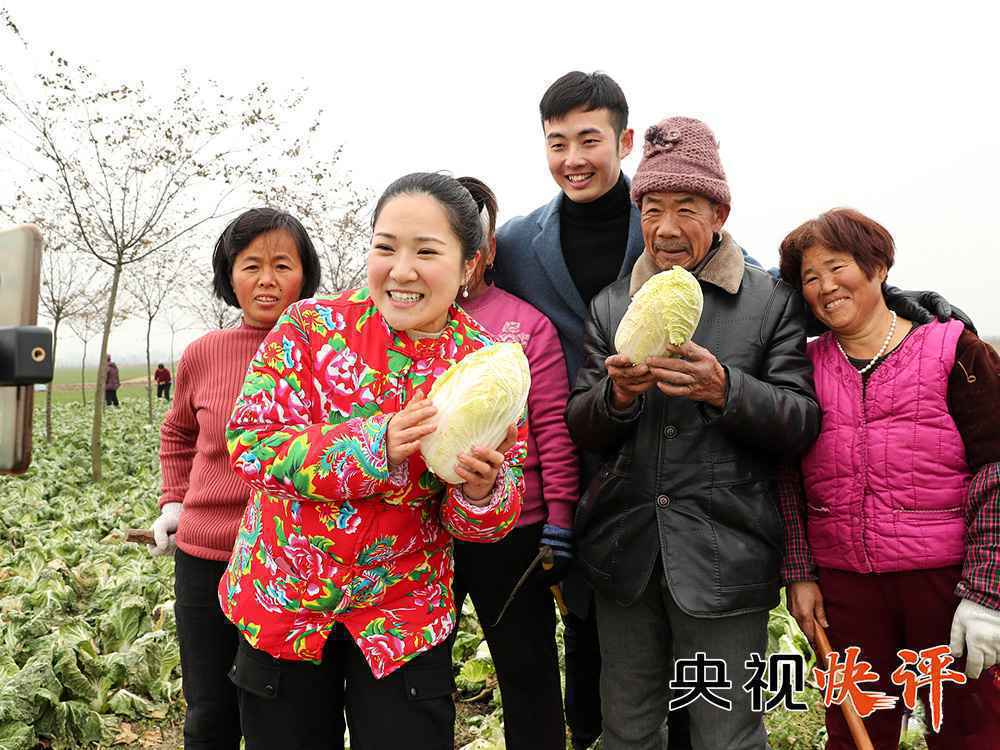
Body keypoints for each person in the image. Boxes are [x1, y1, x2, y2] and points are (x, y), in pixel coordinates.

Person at [219, 173, 527, 750]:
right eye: (385, 247)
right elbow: (252, 444)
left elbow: (487, 520)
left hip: (402, 620)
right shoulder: (310, 329)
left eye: (426, 251)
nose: (401, 270)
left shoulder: (488, 366)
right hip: (285, 604)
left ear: (470, 264)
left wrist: (481, 493)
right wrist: (373, 445)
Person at [565, 115, 822, 750]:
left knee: (728, 734)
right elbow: (583, 425)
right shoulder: (610, 306)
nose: (668, 228)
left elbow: (801, 420)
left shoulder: (769, 301)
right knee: (627, 731)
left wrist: (725, 390)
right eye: (653, 209)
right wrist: (616, 396)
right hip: (627, 553)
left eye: (688, 208)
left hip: (723, 555)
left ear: (719, 211)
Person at [495, 70, 709, 750]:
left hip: (666, 457)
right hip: (573, 461)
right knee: (590, 629)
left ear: (624, 141)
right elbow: (462, 296)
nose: (574, 158)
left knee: (673, 623)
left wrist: (899, 302)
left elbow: (751, 274)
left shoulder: (661, 220)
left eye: (590, 139)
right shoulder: (520, 242)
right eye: (557, 142)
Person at [777, 208, 1000, 750]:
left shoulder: (957, 352)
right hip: (846, 588)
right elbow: (785, 476)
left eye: (837, 267)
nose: (826, 287)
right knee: (854, 735)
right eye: (810, 278)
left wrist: (987, 595)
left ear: (877, 267)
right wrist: (800, 572)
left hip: (944, 585)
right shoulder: (801, 366)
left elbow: (994, 471)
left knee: (968, 731)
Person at [149, 208, 322, 750]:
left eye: (281, 265)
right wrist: (173, 503)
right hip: (205, 555)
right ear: (230, 276)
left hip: (287, 562)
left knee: (278, 713)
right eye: (251, 265)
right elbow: (177, 434)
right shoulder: (203, 353)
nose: (266, 280)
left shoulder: (326, 352)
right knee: (209, 711)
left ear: (304, 274)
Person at [451, 175, 579, 748]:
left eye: (475, 234)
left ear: (491, 244)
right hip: (422, 529)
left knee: (526, 669)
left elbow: (552, 426)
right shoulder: (403, 321)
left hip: (516, 527)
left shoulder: (526, 325)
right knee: (420, 671)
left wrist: (559, 518)